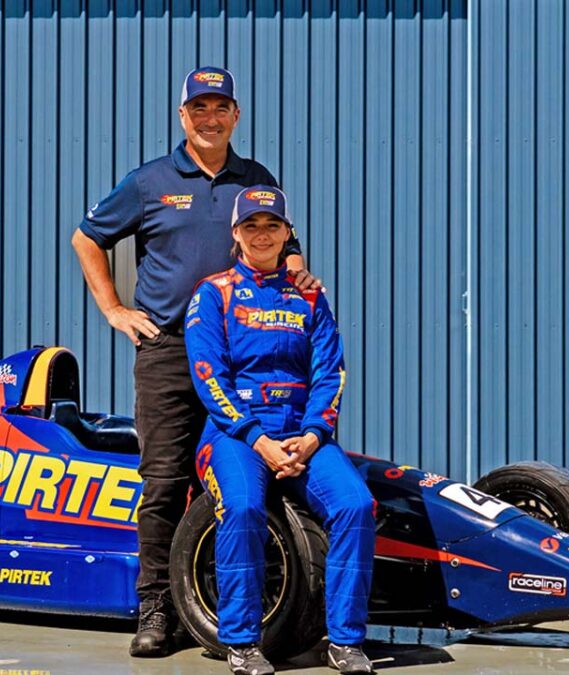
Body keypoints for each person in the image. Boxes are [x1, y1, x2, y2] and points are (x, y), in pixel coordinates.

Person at [71, 66, 320, 657]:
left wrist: (298, 274)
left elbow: (285, 246)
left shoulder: (256, 179)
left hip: (246, 354)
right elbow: (87, 238)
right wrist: (114, 309)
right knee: (164, 482)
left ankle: (239, 602)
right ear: (183, 116)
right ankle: (156, 607)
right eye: (199, 108)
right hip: (171, 352)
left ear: (236, 115)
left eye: (221, 107)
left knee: (257, 473)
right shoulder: (149, 181)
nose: (211, 118)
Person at [185, 186, 375, 675]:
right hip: (234, 434)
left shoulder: (310, 294)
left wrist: (313, 435)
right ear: (236, 233)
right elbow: (208, 375)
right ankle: (242, 643)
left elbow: (330, 373)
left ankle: (345, 641)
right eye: (251, 225)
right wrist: (258, 439)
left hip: (302, 432)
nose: (262, 234)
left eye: (272, 225)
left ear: (288, 233)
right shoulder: (213, 293)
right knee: (243, 507)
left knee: (355, 505)